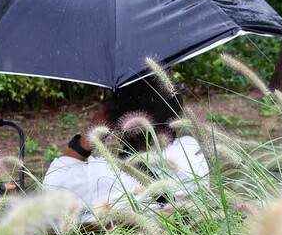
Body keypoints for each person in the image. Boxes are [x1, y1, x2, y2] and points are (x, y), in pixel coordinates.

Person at [42, 77, 209, 222]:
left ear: (115, 119)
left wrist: (91, 135)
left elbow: (51, 187)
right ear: (175, 114)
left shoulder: (102, 174)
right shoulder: (192, 153)